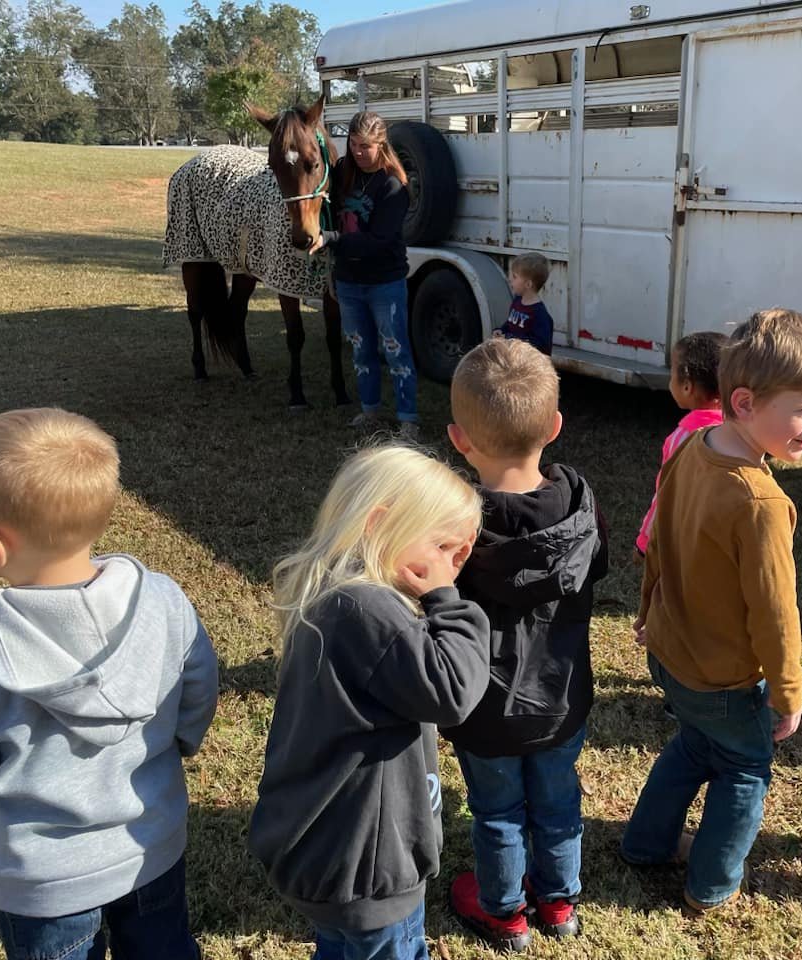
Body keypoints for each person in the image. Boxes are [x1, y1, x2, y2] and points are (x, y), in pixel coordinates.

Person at [0, 408, 218, 959]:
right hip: (150, 843)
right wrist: (183, 738)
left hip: (39, 883)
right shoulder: (165, 601)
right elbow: (198, 684)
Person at [619, 308, 802, 915]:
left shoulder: (693, 444)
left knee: (693, 746)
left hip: (670, 655)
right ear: (745, 402)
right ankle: (711, 885)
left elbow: (658, 536)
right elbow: (777, 613)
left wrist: (647, 613)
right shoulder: (762, 502)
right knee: (744, 772)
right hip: (724, 681)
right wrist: (790, 689)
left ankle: (645, 844)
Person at [248, 445, 492, 960]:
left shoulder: (337, 594)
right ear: (380, 523)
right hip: (368, 866)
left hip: (335, 848)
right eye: (447, 547)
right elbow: (454, 692)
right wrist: (449, 602)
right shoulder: (368, 609)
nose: (454, 567)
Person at [441, 338, 609, 952]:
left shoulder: (451, 522)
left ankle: (505, 912)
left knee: (497, 811)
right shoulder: (582, 505)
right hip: (563, 700)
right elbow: (598, 568)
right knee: (558, 802)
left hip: (483, 709)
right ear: (556, 426)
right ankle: (559, 901)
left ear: (459, 439)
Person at [310, 111, 418, 439]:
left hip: (384, 281)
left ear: (381, 145)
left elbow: (378, 241)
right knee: (360, 348)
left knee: (395, 348)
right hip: (348, 282)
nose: (358, 152)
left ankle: (408, 418)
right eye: (353, 145)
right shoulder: (344, 171)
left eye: (366, 147)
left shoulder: (392, 185)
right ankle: (370, 409)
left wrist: (330, 239)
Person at [636, 330, 728, 556]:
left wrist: (644, 541)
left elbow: (665, 493)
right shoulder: (742, 432)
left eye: (671, 375)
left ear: (687, 386)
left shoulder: (682, 439)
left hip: (683, 545)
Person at [496, 252, 555, 355]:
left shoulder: (539, 314)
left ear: (528, 284)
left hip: (528, 365)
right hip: (514, 359)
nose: (510, 279)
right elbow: (511, 324)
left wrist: (511, 339)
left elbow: (541, 344)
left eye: (514, 277)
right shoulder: (517, 300)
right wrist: (501, 331)